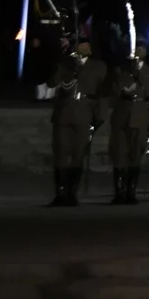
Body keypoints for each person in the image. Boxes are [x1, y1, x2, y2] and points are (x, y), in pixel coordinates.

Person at [47, 26, 107, 205]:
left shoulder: (98, 66)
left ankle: (72, 193)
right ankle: (60, 193)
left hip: (85, 113)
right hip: (64, 114)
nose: (85, 47)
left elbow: (102, 94)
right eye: (81, 44)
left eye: (87, 44)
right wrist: (63, 62)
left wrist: (100, 117)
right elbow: (52, 83)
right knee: (60, 153)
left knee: (78, 154)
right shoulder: (65, 64)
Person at [105, 32, 149, 205]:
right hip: (122, 115)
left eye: (141, 48)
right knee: (119, 154)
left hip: (141, 115)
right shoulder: (121, 70)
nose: (138, 50)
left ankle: (131, 192)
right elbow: (113, 91)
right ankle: (119, 192)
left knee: (135, 154)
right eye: (135, 47)